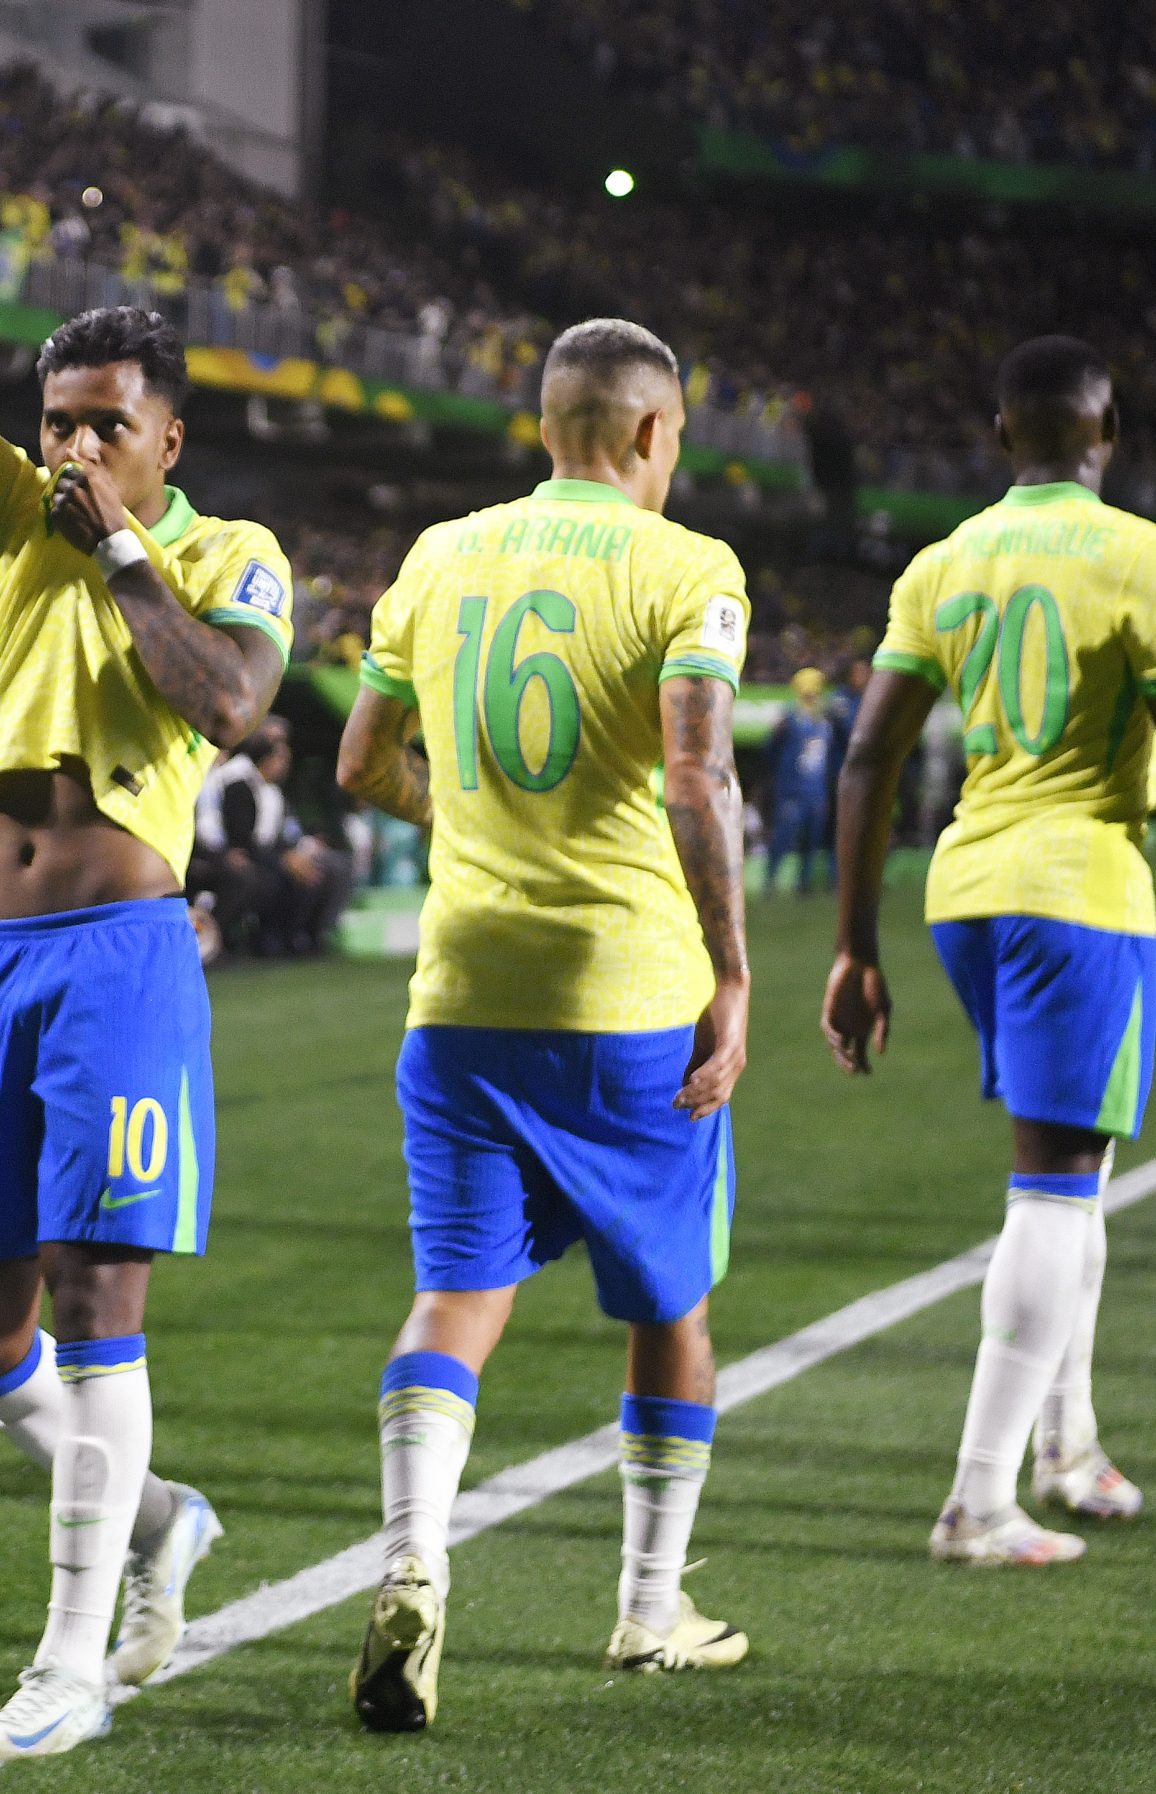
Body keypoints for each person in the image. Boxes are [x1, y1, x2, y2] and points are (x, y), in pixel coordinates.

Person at [0, 73, 294, 1764]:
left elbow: (227, 706)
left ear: (171, 436)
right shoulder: (3, 512)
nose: (75, 445)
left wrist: (127, 561)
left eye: (107, 421)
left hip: (121, 956)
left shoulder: (229, 553)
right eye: (63, 417)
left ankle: (70, 1659)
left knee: (99, 1296)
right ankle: (158, 1517)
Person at [826, 335, 1156, 1568]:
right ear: (1108, 437)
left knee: (1076, 1173)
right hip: (1077, 891)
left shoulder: (941, 564)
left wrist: (854, 948)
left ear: (1003, 434)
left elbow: (868, 759)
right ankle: (977, 1499)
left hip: (964, 892)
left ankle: (1069, 1445)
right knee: (1051, 1189)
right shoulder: (1142, 556)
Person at [335, 317, 753, 1730]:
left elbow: (358, 759)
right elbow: (695, 778)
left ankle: (408, 1556)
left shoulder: (442, 553)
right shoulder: (688, 565)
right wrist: (735, 973)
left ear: (544, 424)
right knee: (670, 1300)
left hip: (458, 992)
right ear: (648, 433)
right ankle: (649, 1607)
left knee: (459, 1292)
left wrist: (467, 825)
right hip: (624, 994)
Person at [192, 721, 353, 956]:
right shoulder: (237, 782)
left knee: (315, 872)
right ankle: (226, 941)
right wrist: (281, 860)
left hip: (253, 854)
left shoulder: (271, 791)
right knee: (260, 879)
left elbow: (278, 834)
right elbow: (237, 836)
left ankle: (303, 936)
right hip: (224, 854)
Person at [765, 667, 836, 895]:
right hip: (792, 791)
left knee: (811, 840)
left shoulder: (825, 718)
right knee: (783, 838)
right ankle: (770, 880)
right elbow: (770, 753)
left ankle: (804, 884)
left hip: (816, 792)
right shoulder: (788, 716)